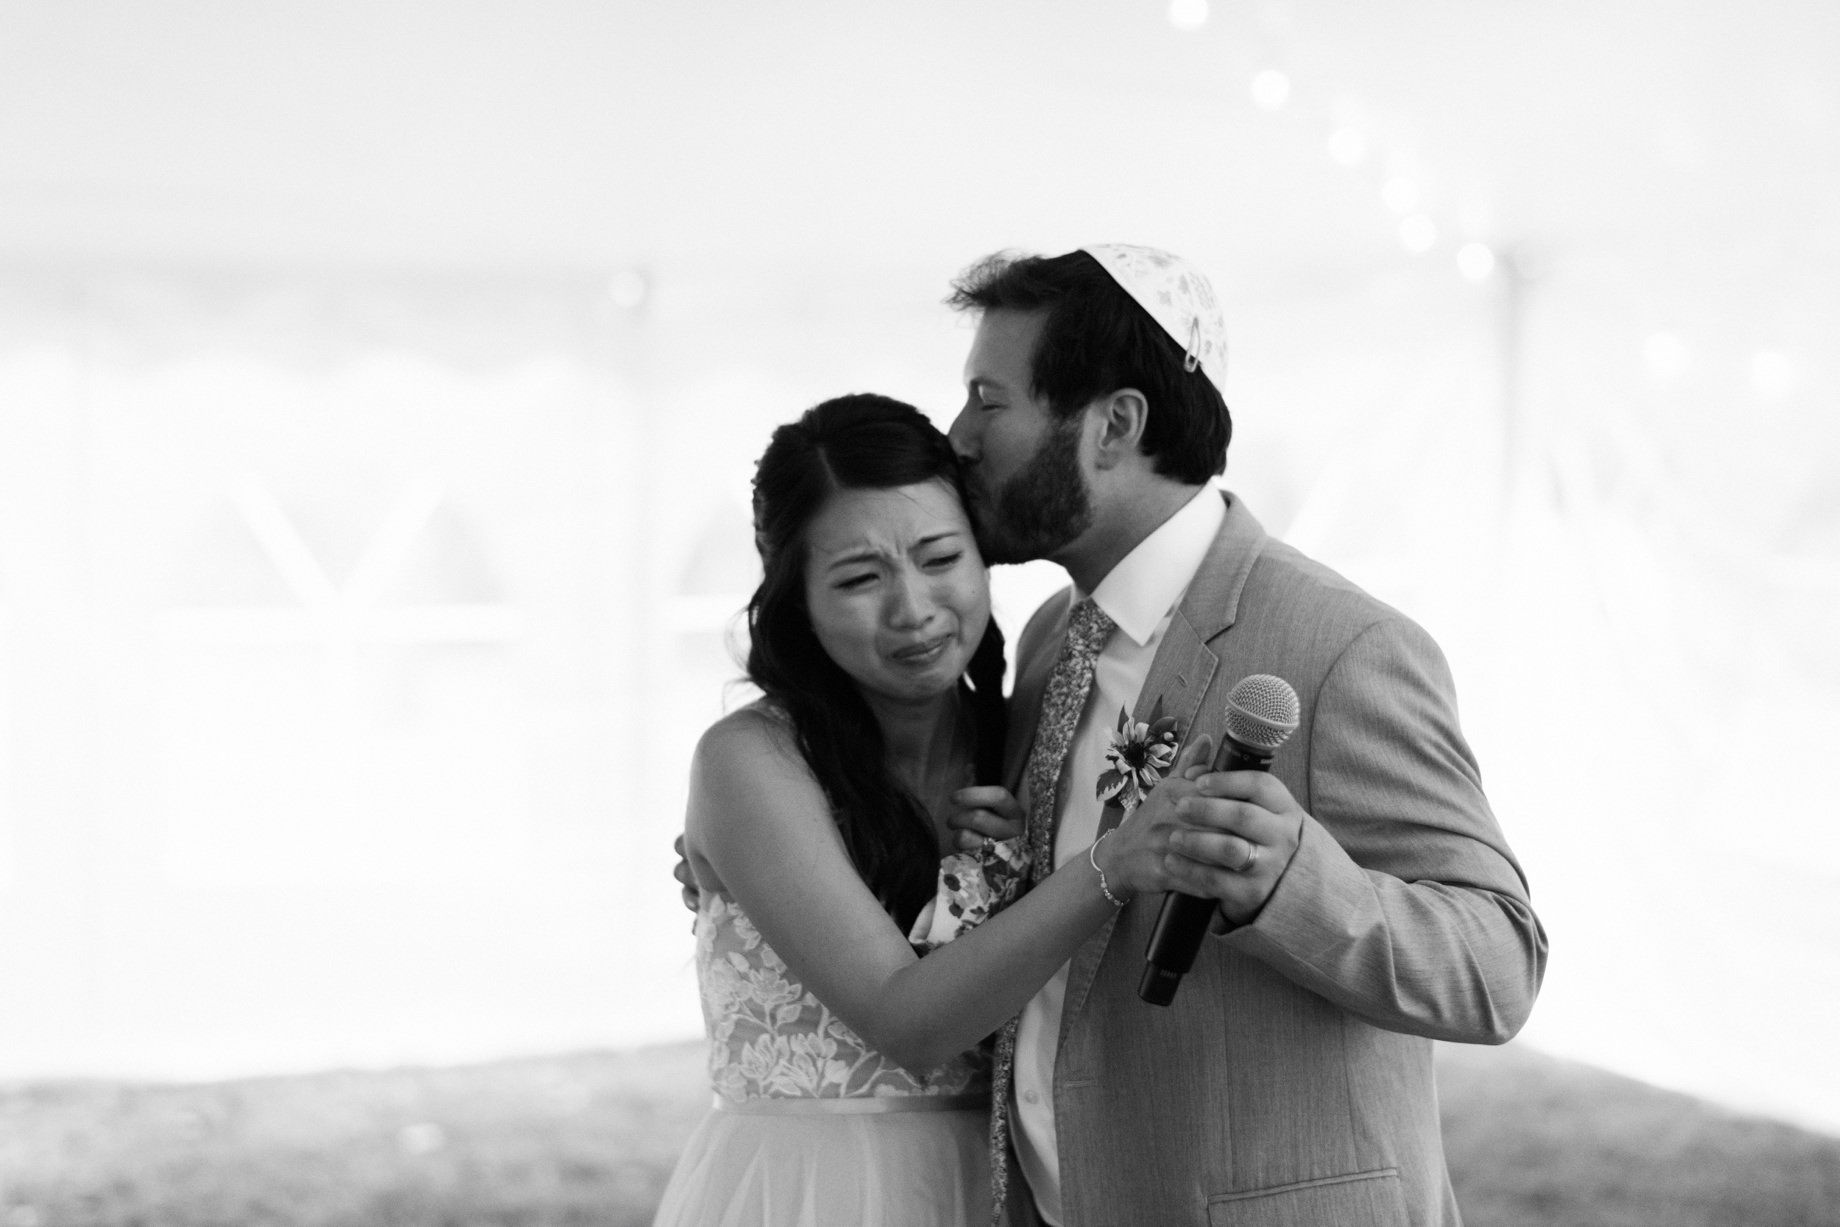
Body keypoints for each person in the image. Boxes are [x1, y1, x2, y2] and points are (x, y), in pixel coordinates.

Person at [941, 244, 1547, 1226]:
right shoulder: (1052, 640)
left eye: (987, 398)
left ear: (1113, 425)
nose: (957, 436)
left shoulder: (1342, 646)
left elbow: (1498, 967)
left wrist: (1292, 883)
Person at [651, 392, 1213, 1227]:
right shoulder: (751, 760)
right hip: (810, 1197)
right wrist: (1115, 861)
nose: (912, 609)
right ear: (795, 597)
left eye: (939, 557)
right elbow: (905, 1020)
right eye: (859, 578)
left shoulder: (1028, 734)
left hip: (1007, 1190)